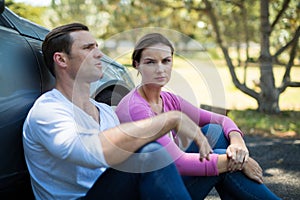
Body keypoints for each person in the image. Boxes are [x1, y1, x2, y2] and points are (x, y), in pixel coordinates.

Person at [22, 23, 215, 200]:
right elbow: (89, 152)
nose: (99, 54)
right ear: (61, 59)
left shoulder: (105, 112)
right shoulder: (48, 110)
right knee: (151, 154)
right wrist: (170, 119)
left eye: (97, 46)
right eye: (88, 48)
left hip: (117, 192)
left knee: (219, 145)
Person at [115, 32, 281, 199]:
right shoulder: (137, 109)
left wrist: (238, 144)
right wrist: (239, 163)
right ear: (136, 65)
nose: (160, 69)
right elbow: (177, 163)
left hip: (167, 179)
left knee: (215, 131)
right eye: (150, 62)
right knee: (224, 159)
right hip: (151, 192)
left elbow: (221, 119)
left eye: (166, 61)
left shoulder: (167, 99)